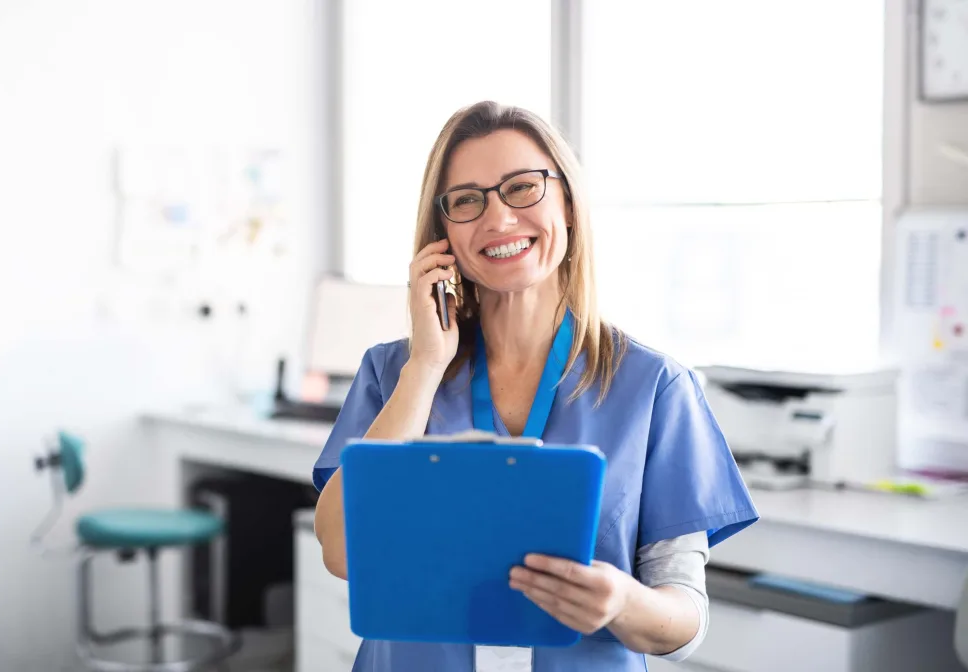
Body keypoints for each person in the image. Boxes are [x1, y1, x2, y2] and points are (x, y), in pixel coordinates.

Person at [311, 100, 759, 672]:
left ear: (568, 204)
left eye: (522, 187)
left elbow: (684, 618)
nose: (497, 220)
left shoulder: (654, 387)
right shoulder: (394, 374)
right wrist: (426, 365)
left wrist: (620, 601)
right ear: (443, 233)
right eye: (467, 201)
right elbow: (343, 551)